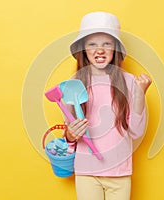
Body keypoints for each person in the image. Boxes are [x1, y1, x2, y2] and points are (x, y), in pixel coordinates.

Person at [64, 12, 152, 200]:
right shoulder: (74, 83)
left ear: (115, 50)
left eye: (107, 44)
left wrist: (139, 95)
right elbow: (69, 131)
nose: (100, 50)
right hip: (86, 172)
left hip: (119, 170)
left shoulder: (129, 82)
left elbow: (136, 132)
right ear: (84, 50)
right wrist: (70, 135)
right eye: (92, 44)